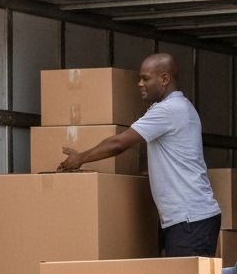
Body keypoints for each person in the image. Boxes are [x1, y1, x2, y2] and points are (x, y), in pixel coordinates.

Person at [57, 52, 222, 256]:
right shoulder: (181, 107)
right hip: (190, 218)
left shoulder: (168, 110)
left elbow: (119, 143)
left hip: (190, 220)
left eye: (146, 78)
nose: (140, 84)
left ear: (164, 79)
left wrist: (80, 158)